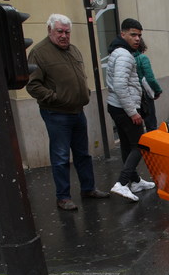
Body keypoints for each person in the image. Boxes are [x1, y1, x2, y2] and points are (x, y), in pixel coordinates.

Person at [26, 13, 110, 211]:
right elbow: (33, 85)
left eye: (67, 32)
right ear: (50, 31)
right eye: (59, 32)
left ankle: (88, 189)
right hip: (56, 114)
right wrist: (56, 98)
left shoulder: (73, 50)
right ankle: (63, 197)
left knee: (83, 154)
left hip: (77, 111)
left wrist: (84, 92)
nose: (64, 36)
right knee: (61, 156)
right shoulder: (39, 52)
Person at [106, 18, 155, 202]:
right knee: (140, 145)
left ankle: (134, 181)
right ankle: (122, 182)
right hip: (125, 108)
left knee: (127, 144)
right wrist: (133, 112)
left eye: (139, 35)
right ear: (123, 34)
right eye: (133, 34)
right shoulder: (125, 55)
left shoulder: (117, 53)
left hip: (116, 107)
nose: (137, 39)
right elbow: (120, 85)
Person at [134, 38, 162, 131]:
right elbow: (150, 78)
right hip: (145, 94)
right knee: (151, 123)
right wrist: (157, 90)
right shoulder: (142, 58)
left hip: (133, 95)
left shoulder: (128, 58)